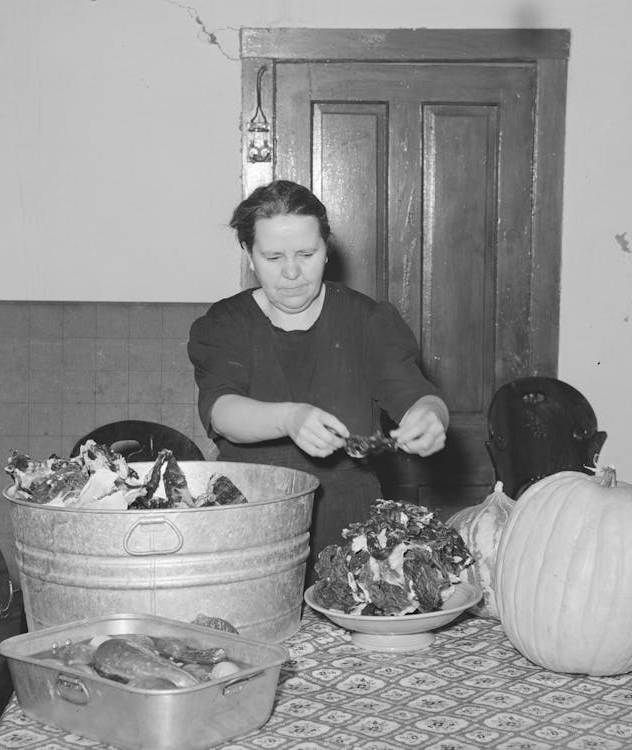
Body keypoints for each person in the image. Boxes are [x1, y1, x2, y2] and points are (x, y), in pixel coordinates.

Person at [188, 179, 449, 583]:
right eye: (273, 257)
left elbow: (416, 396)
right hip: (248, 519)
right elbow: (222, 411)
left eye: (307, 254)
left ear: (327, 251)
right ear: (249, 255)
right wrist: (290, 418)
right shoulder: (224, 325)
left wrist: (431, 416)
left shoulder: (369, 321)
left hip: (352, 527)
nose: (292, 273)